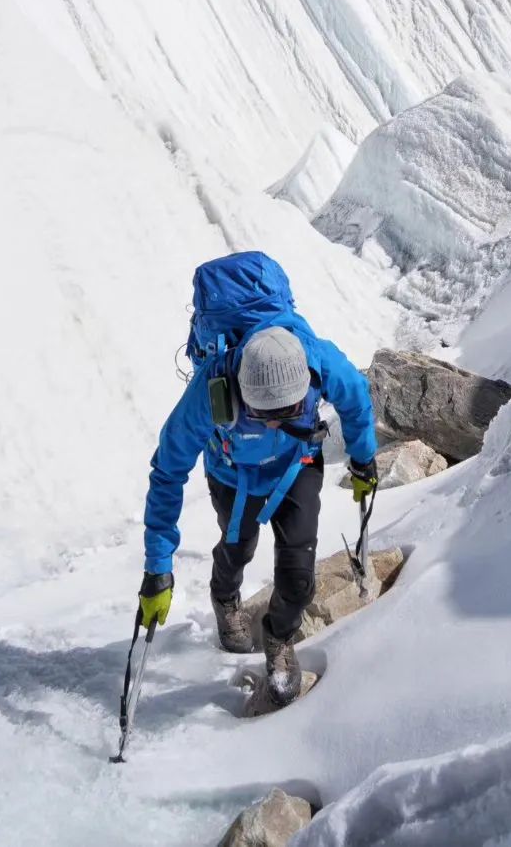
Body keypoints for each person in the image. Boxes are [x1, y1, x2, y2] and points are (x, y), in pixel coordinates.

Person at [138, 251, 378, 707]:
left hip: (297, 466)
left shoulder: (318, 359)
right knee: (239, 547)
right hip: (233, 474)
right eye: (263, 414)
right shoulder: (212, 388)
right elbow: (167, 471)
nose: (272, 424)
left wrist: (364, 461)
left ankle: (280, 639)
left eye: (287, 413)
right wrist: (158, 569)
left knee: (299, 573)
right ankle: (224, 598)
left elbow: (356, 399)